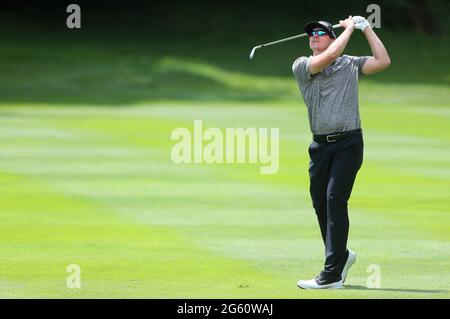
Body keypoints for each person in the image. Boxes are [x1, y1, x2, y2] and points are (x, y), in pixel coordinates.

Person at [293, 16, 391, 289]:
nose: (314, 35)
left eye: (321, 32)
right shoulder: (302, 65)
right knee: (320, 204)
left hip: (348, 144)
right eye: (311, 32)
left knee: (335, 200)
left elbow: (383, 61)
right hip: (320, 147)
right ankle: (342, 256)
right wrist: (349, 28)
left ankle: (332, 274)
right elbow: (330, 55)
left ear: (331, 37)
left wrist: (366, 28)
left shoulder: (349, 63)